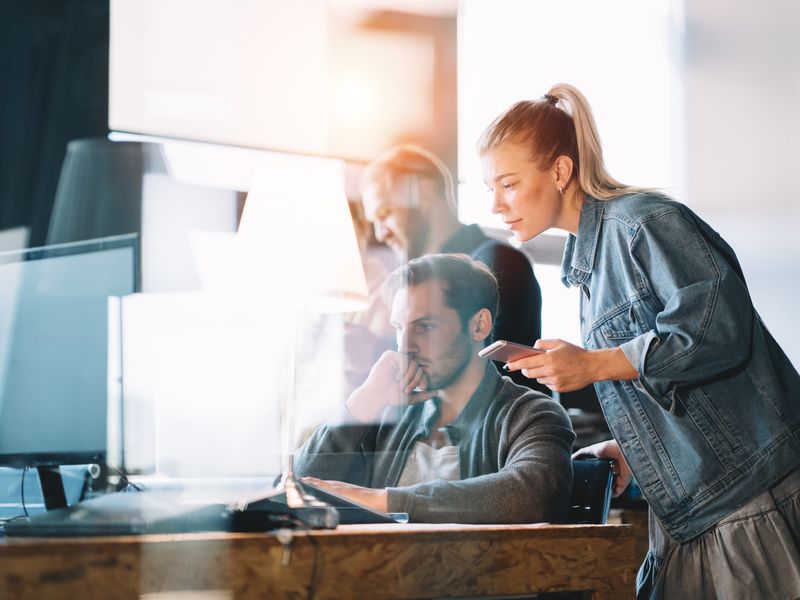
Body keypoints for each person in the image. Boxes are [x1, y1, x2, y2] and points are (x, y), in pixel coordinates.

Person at [478, 83, 800, 599]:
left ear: (560, 172)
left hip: (745, 500)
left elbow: (717, 333)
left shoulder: (644, 224)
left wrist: (594, 365)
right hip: (688, 512)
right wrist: (632, 448)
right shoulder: (588, 266)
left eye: (508, 184)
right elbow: (677, 383)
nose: (496, 204)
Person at [294, 253, 574, 524]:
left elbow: (534, 494)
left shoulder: (531, 414)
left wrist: (387, 501)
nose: (404, 346)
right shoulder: (385, 412)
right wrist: (362, 402)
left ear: (479, 325)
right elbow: (302, 487)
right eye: (399, 328)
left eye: (424, 326)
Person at [359, 144, 544, 390]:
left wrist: (374, 347)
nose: (381, 234)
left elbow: (474, 377)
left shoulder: (497, 262)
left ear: (423, 192)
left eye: (385, 213)